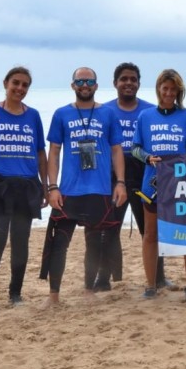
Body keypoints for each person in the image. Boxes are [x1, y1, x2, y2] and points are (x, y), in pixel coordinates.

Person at [42, 67, 127, 306]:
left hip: (99, 189)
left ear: (96, 86)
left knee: (94, 242)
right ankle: (54, 296)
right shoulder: (61, 114)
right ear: (73, 85)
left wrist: (120, 183)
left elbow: (116, 150)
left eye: (89, 81)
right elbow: (54, 151)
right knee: (58, 243)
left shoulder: (108, 114)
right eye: (80, 81)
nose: (85, 84)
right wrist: (52, 187)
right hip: (68, 190)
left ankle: (89, 290)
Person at [0, 67, 47, 313]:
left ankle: (15, 294)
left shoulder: (33, 115)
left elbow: (40, 152)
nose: (20, 89)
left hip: (26, 186)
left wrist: (46, 186)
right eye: (16, 83)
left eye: (25, 85)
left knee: (21, 242)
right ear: (6, 83)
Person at [94, 62, 177, 292]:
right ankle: (103, 278)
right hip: (115, 177)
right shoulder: (104, 111)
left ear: (139, 84)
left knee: (150, 230)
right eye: (124, 79)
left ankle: (158, 277)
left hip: (146, 175)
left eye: (133, 79)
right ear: (115, 83)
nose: (128, 83)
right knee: (109, 227)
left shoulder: (150, 111)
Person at [131, 69, 186, 299]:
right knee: (150, 234)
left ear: (179, 91)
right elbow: (135, 147)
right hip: (152, 182)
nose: (168, 93)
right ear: (159, 88)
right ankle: (150, 285)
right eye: (165, 88)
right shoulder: (145, 116)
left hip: (180, 182)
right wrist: (148, 157)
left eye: (173, 89)